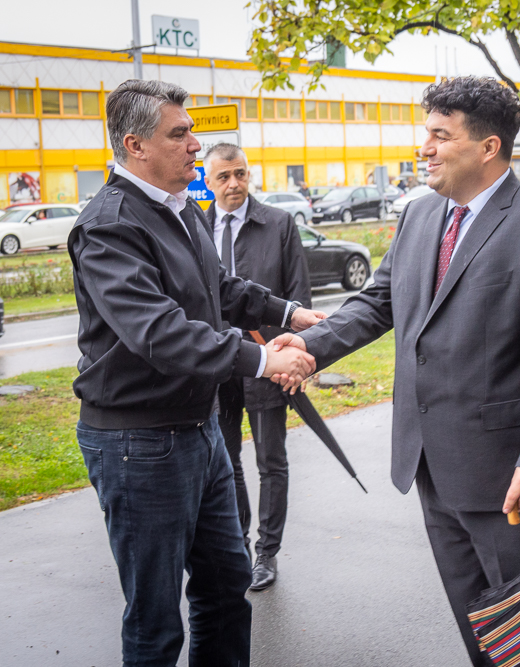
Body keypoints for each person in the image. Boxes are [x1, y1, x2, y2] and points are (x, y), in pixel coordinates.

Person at [270, 76, 520, 666]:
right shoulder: (421, 215)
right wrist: (309, 347)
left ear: (489, 147)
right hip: (434, 467)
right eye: (425, 133)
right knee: (483, 637)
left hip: (517, 478)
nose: (423, 147)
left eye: (440, 136)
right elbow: (379, 301)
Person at [69, 80, 325, 666]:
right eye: (179, 134)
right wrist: (263, 359)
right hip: (139, 442)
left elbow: (218, 287)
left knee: (226, 590)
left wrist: (287, 311)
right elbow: (159, 331)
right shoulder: (108, 226)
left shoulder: (181, 207)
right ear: (135, 145)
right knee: (157, 622)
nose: (195, 145)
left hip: (199, 429)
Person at [204, 143, 312, 591]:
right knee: (225, 463)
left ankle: (267, 553)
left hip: (270, 359)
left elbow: (298, 296)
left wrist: (302, 357)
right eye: (224, 176)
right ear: (208, 181)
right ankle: (240, 547)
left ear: (249, 175)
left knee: (271, 459)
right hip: (218, 364)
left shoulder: (279, 224)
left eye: (241, 174)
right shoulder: (196, 226)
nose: (234, 184)